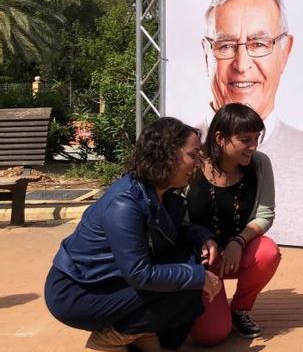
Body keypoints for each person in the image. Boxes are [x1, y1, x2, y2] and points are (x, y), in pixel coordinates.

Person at [44, 117, 221, 352]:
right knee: (188, 285)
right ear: (166, 154)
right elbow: (139, 273)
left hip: (111, 281)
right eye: (192, 155)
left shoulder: (162, 193)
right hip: (78, 291)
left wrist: (202, 236)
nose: (197, 163)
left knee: (190, 266)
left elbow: (174, 231)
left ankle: (141, 334)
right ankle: (112, 337)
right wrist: (198, 276)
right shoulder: (124, 204)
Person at [201, 0, 303, 248]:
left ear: (285, 51)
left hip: (244, 251)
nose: (242, 64)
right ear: (206, 53)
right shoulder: (186, 148)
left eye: (258, 44)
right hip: (197, 259)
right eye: (225, 46)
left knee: (265, 253)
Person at [186, 103, 282, 345]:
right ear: (220, 138)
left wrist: (239, 241)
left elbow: (265, 214)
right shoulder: (193, 166)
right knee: (212, 335)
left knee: (268, 253)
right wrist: (201, 243)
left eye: (257, 138)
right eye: (245, 139)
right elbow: (178, 219)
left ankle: (240, 308)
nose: (253, 146)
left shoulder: (260, 164)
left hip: (236, 252)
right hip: (199, 258)